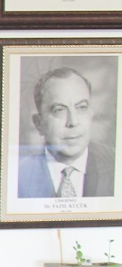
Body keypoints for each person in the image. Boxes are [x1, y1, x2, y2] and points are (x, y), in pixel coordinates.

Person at [17, 65, 116, 198]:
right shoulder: (18, 177)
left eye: (81, 107)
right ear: (39, 123)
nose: (73, 122)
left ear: (90, 115)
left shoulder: (116, 164)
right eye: (59, 110)